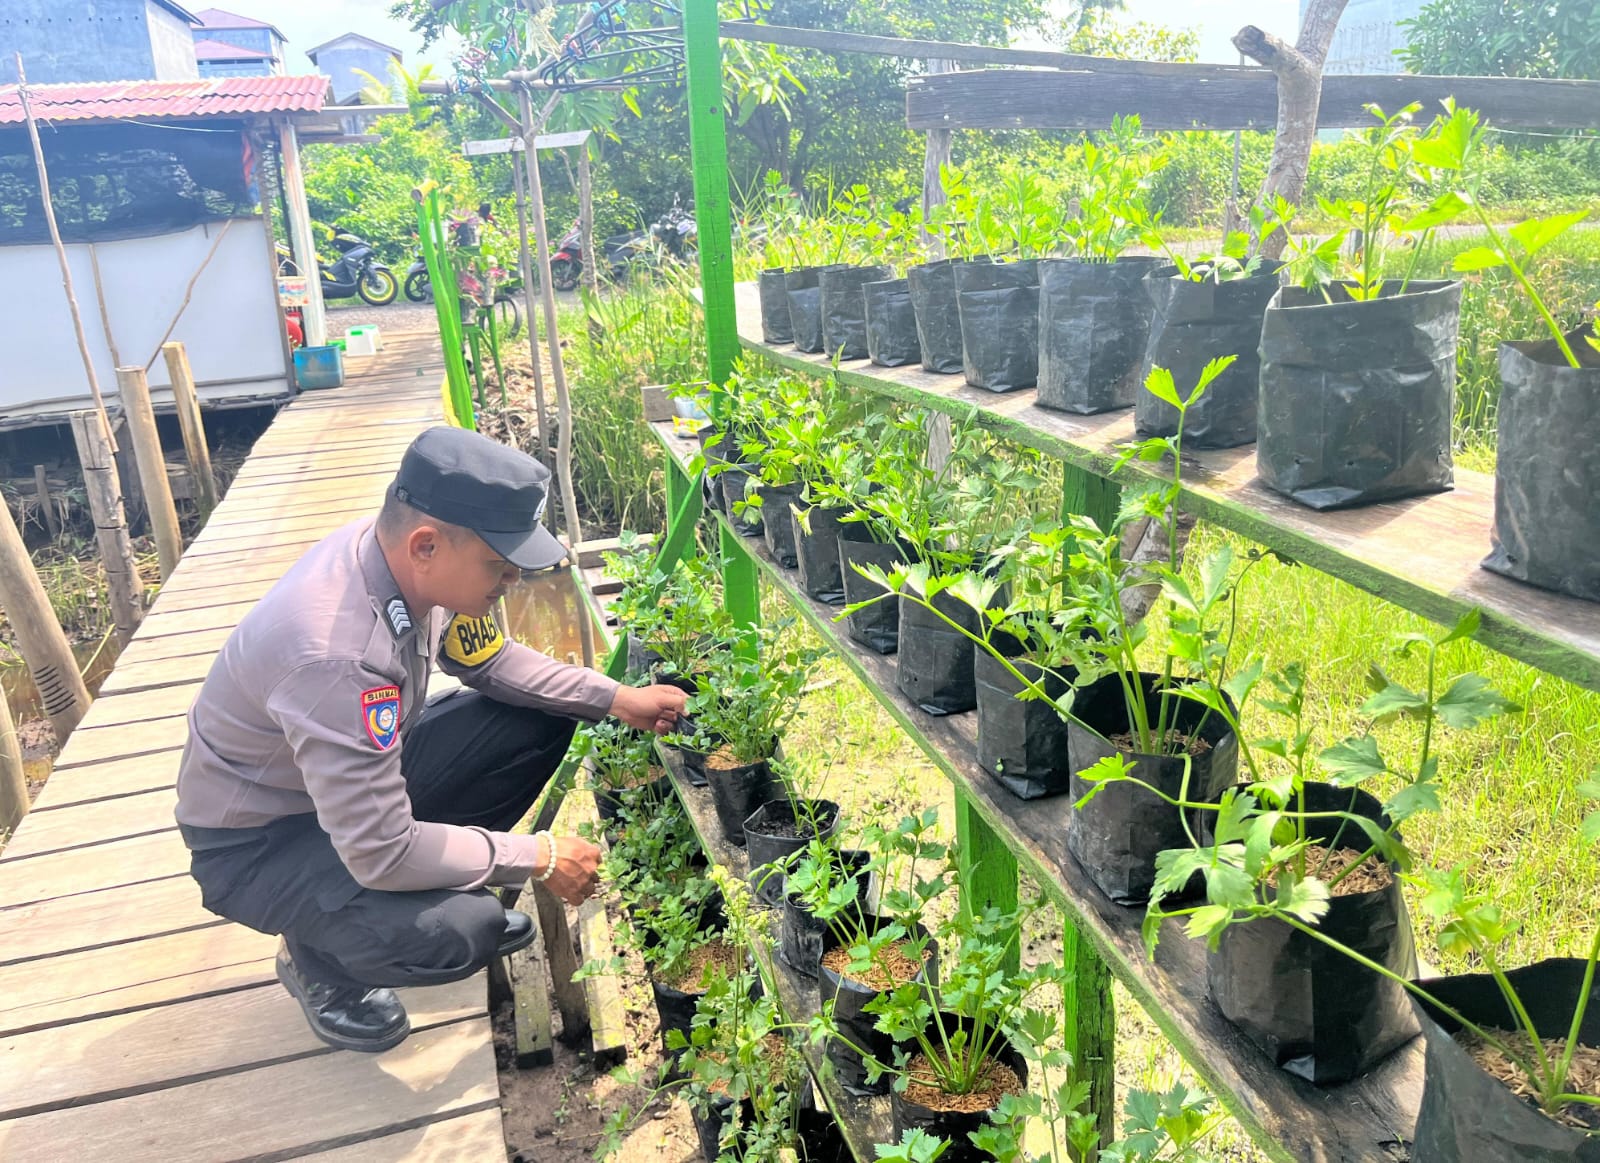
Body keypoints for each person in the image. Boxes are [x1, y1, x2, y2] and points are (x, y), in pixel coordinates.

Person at [175, 426, 687, 1052]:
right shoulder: (335, 654)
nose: (513, 581)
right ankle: (320, 963)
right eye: (500, 565)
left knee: (543, 717)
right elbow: (383, 851)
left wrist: (616, 698)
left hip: (334, 792)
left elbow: (493, 662)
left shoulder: (405, 567)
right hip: (260, 843)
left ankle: (387, 900)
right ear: (426, 544)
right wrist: (541, 856)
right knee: (459, 931)